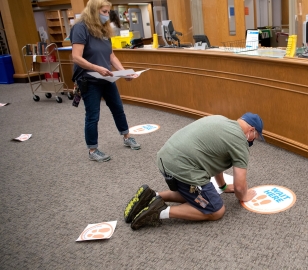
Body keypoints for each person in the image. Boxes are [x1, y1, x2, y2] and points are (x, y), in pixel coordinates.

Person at [123, 112, 265, 230]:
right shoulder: (240, 141)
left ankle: (152, 195)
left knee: (198, 196)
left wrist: (223, 186)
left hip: (165, 159)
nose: (253, 141)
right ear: (251, 130)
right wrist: (244, 196)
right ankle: (159, 212)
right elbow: (240, 187)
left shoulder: (221, 120)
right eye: (256, 137)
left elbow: (215, 160)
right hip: (182, 167)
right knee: (216, 210)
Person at [70, 0, 140, 162]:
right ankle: (92, 150)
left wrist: (123, 73)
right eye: (104, 12)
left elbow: (111, 56)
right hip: (89, 79)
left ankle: (126, 137)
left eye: (108, 12)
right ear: (93, 12)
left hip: (106, 77)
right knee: (93, 115)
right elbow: (76, 57)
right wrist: (97, 68)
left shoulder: (103, 30)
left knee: (118, 108)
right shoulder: (80, 29)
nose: (107, 16)